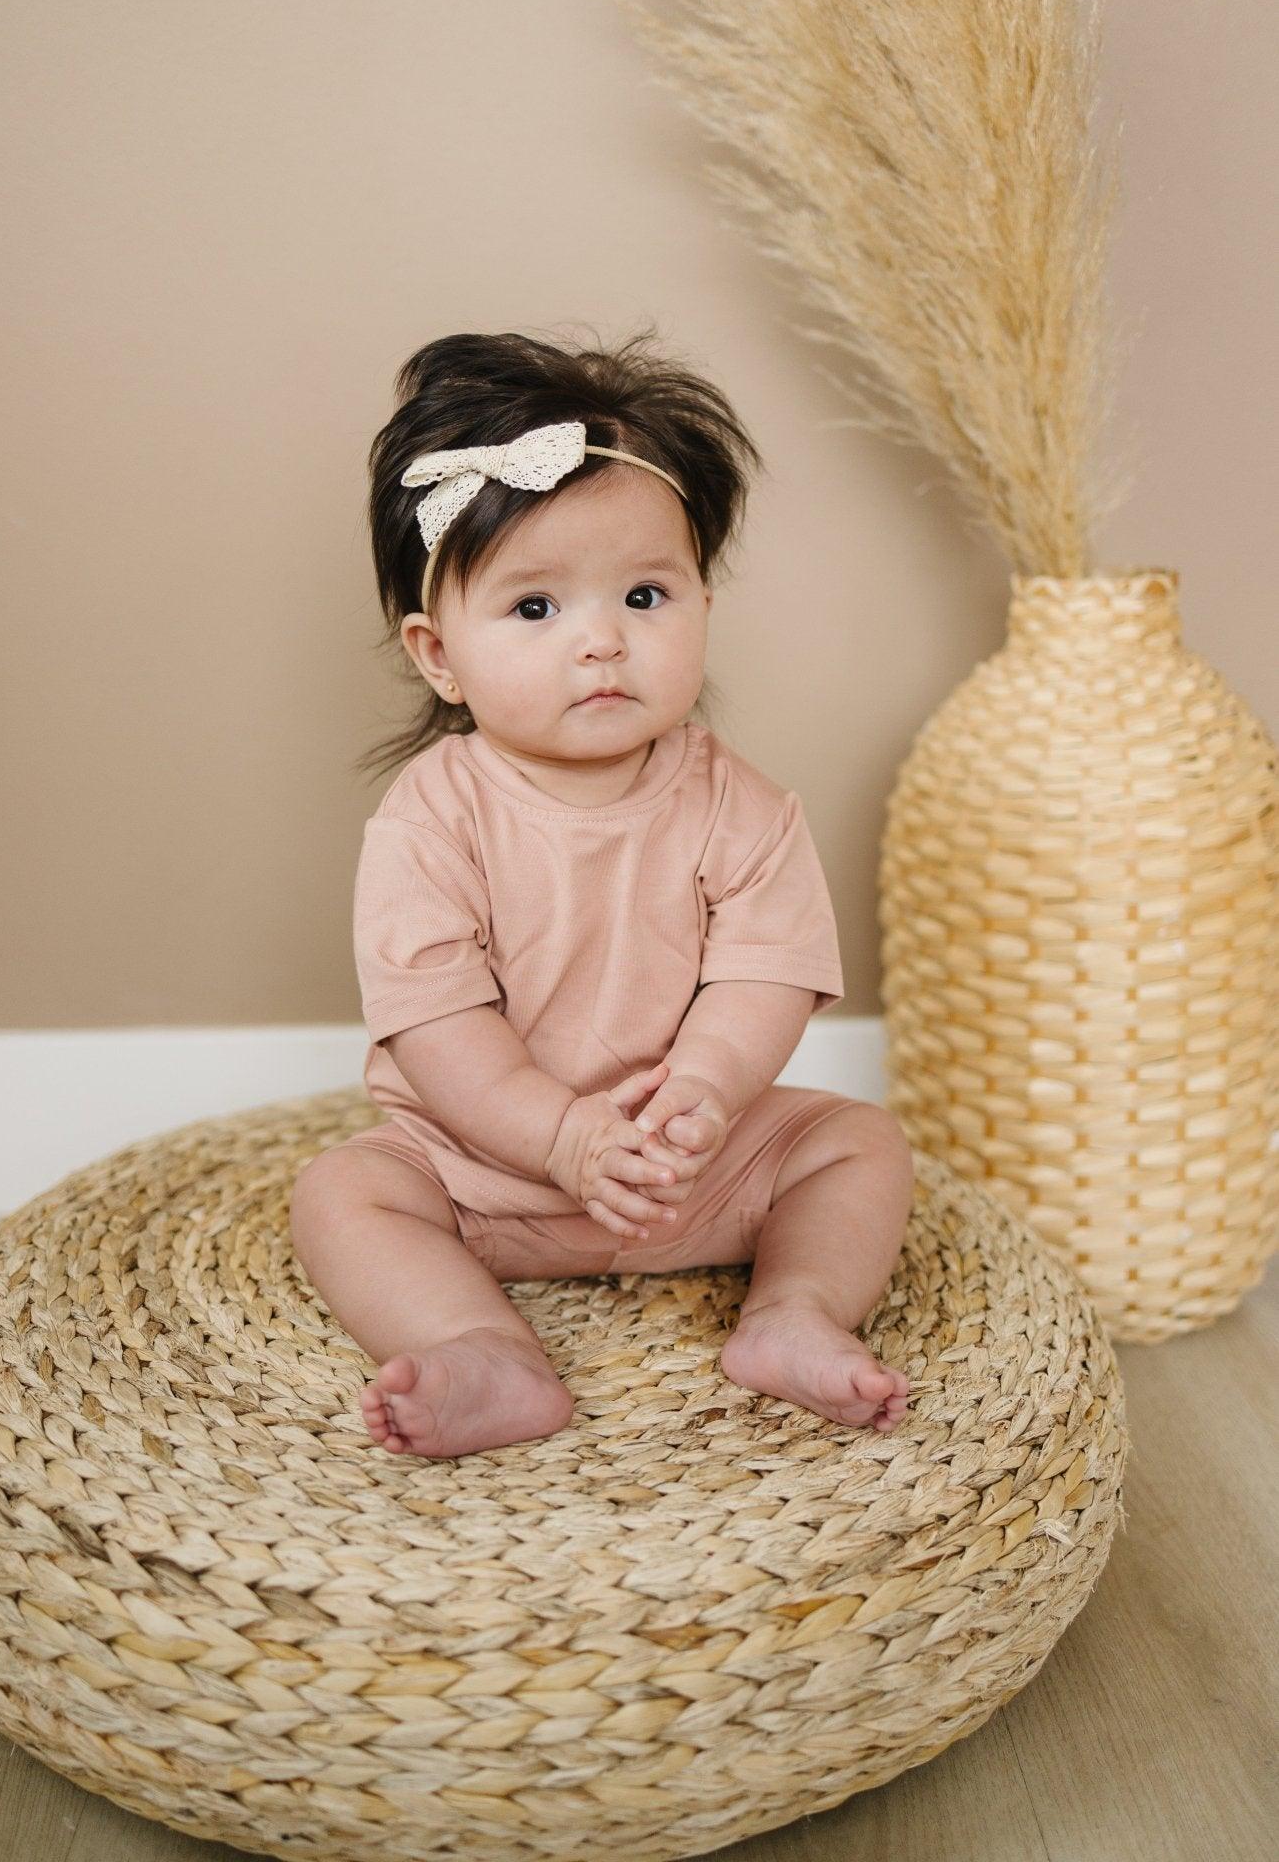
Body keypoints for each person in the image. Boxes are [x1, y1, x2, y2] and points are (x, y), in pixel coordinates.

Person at [290, 327, 915, 1458]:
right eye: (536, 609)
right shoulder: (432, 818)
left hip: (688, 1165)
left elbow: (762, 973)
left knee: (859, 1144)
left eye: (643, 593)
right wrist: (565, 1135)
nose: (602, 643)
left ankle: (790, 1312)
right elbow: (440, 1025)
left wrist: (710, 1093)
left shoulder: (744, 805)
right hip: (484, 1176)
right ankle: (484, 1342)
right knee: (344, 1192)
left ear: (703, 606)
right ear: (441, 655)